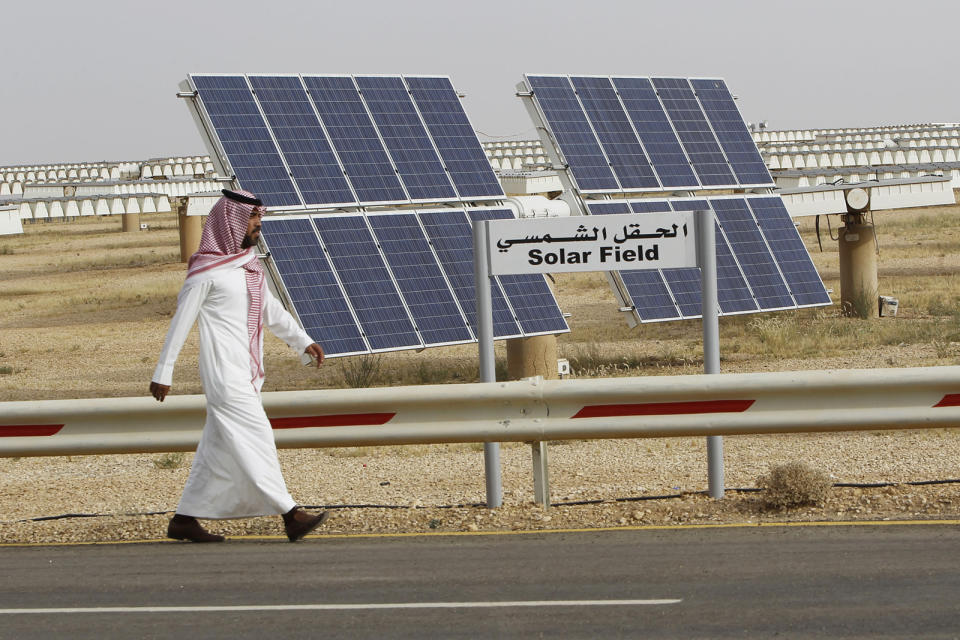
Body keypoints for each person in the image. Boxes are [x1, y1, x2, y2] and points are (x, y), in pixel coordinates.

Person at [150, 188, 328, 543]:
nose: (258, 224)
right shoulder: (206, 272)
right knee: (257, 435)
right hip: (223, 373)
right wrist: (163, 372)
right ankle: (291, 515)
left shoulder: (248, 266)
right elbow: (180, 323)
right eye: (252, 218)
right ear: (231, 222)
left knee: (217, 447)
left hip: (247, 371)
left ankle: (183, 520)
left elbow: (270, 312)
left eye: (259, 217)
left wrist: (301, 340)